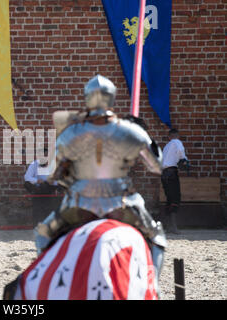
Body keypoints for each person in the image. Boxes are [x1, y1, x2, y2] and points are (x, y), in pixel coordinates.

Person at [34, 75, 167, 282]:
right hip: (122, 204)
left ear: (87, 98)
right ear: (111, 99)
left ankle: (47, 282)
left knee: (42, 235)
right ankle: (154, 286)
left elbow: (54, 173)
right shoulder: (129, 130)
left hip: (79, 204)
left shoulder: (71, 133)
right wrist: (142, 133)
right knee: (156, 237)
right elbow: (157, 165)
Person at [160, 128, 188, 234]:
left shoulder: (166, 146)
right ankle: (173, 227)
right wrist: (184, 160)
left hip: (164, 174)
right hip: (171, 173)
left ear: (168, 136)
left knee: (169, 198)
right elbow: (181, 153)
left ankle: (168, 226)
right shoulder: (177, 142)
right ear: (178, 136)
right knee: (175, 198)